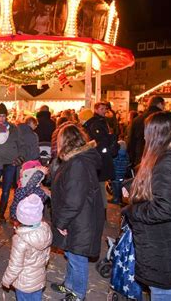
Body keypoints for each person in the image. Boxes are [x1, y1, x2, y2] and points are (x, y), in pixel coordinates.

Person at [122, 111, 171, 301]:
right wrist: (132, 186)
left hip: (169, 246)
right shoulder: (169, 156)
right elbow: (161, 186)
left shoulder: (169, 161)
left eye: (147, 131)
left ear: (156, 133)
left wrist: (133, 210)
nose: (144, 135)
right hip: (167, 243)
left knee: (166, 294)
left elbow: (166, 207)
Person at [50, 124, 104, 301]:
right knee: (71, 253)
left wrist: (61, 222)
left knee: (77, 258)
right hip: (80, 217)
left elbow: (74, 198)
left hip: (80, 219)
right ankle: (69, 285)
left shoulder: (78, 163)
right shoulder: (78, 159)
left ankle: (77, 294)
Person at [2, 194, 52, 301]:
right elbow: (47, 254)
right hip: (39, 279)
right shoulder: (46, 230)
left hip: (24, 283)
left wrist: (7, 280)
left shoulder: (20, 240)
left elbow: (15, 266)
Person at [83, 102, 118, 211]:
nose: (104, 111)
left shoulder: (100, 122)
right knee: (100, 184)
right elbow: (99, 141)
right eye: (102, 109)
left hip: (100, 158)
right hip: (101, 158)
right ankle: (101, 209)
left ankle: (100, 210)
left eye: (105, 109)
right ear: (96, 110)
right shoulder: (97, 123)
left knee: (100, 184)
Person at [127, 95, 165, 168]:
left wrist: (132, 157)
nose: (164, 108)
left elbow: (131, 140)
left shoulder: (137, 119)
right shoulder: (163, 118)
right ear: (160, 104)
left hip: (140, 154)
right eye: (163, 105)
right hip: (158, 155)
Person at [110, 140, 129, 205]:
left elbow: (113, 163)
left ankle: (116, 199)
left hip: (115, 174)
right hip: (122, 174)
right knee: (119, 187)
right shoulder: (126, 155)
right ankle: (119, 199)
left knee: (115, 188)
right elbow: (127, 163)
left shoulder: (116, 155)